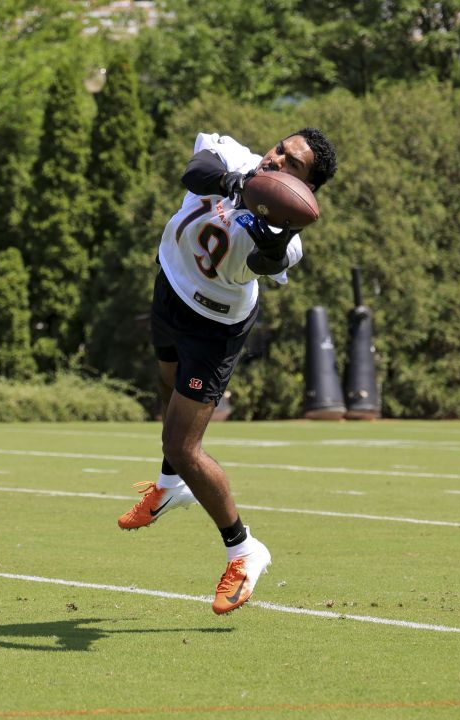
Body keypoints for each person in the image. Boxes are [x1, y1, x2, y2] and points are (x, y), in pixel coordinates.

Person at [116, 129, 338, 614]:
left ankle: (244, 549)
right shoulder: (238, 158)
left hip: (214, 326)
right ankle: (171, 487)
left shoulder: (288, 232)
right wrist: (240, 183)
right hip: (171, 283)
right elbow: (194, 171)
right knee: (166, 384)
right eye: (282, 148)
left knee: (182, 443)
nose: (277, 159)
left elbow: (268, 261)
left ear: (306, 189)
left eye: (292, 166)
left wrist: (273, 233)